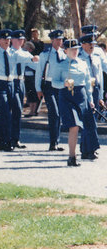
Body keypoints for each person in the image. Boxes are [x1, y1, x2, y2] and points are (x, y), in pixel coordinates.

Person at [53, 38, 91, 167]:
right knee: (74, 126)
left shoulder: (83, 63)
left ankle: (85, 151)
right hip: (67, 96)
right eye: (72, 49)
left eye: (76, 49)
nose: (75, 52)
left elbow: (87, 83)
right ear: (65, 51)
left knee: (82, 126)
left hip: (81, 96)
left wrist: (90, 99)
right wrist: (63, 84)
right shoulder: (60, 65)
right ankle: (72, 156)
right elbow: (54, 82)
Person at [35, 29, 67, 151]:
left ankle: (56, 142)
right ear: (52, 40)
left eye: (61, 39)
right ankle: (53, 143)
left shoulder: (64, 54)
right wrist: (38, 88)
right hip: (49, 85)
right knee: (54, 113)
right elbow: (39, 72)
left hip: (61, 85)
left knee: (59, 114)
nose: (59, 42)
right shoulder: (45, 54)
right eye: (57, 39)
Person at [79, 33, 102, 161]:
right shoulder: (79, 58)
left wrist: (101, 96)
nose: (92, 46)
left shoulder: (96, 58)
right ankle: (88, 149)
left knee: (92, 120)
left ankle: (87, 149)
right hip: (85, 90)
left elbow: (100, 78)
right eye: (89, 44)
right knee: (88, 120)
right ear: (83, 45)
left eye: (93, 44)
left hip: (95, 89)